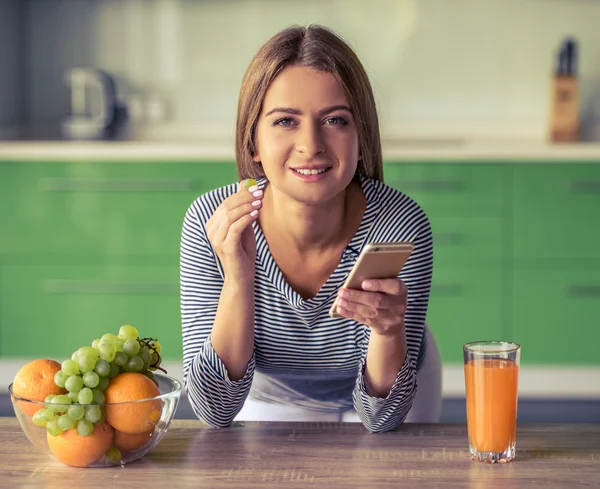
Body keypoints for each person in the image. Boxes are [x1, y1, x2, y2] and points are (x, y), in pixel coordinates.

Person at [180, 24, 441, 433]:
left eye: (335, 120)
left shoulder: (398, 225)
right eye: (285, 121)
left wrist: (388, 331)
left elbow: (381, 417)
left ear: (361, 137)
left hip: (389, 392)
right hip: (270, 396)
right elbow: (214, 410)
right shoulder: (211, 222)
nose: (311, 144)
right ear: (253, 144)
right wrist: (238, 279)